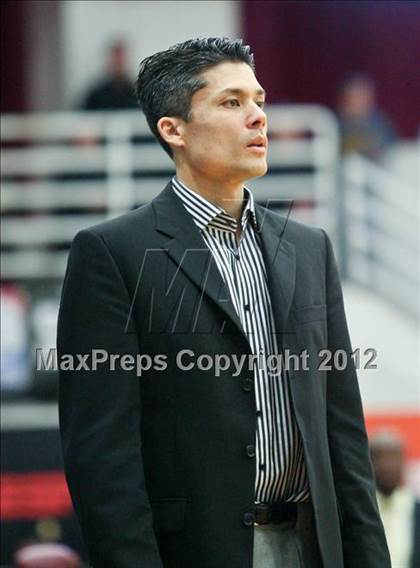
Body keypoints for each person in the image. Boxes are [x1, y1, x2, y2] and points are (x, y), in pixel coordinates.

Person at [58, 38, 390, 568]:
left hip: (313, 546)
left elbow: (344, 432)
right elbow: (103, 460)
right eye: (232, 102)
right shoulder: (112, 253)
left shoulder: (309, 248)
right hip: (197, 550)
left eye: (259, 100)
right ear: (174, 130)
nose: (258, 117)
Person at [370, 430, 420, 568]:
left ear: (404, 461)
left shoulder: (417, 510)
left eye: (392, 456)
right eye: (378, 457)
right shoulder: (356, 511)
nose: (385, 465)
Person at [337, 73, 397, 160]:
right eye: (357, 95)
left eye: (364, 95)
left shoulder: (380, 122)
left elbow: (393, 147)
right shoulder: (334, 123)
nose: (361, 100)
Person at [80, 41, 137, 110]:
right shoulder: (96, 96)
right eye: (115, 61)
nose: (117, 65)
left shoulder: (136, 95)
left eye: (120, 62)